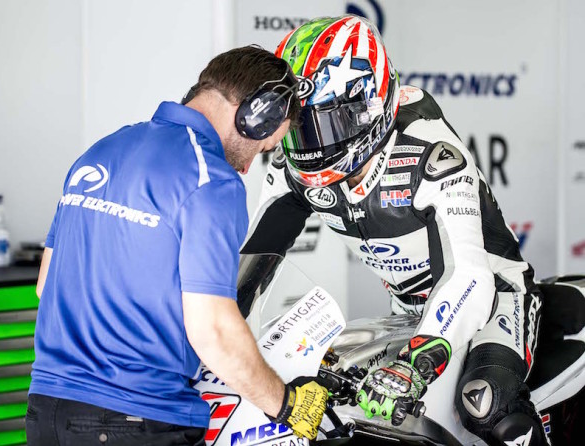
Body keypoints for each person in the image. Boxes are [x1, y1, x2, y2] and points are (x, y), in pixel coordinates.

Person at [239, 16, 549, 446]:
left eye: (325, 125)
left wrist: (414, 364)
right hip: (407, 309)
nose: (310, 146)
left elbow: (468, 278)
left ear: (369, 106)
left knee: (486, 404)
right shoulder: (291, 168)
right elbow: (253, 260)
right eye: (298, 129)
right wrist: (226, 340)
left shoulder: (430, 153)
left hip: (496, 296)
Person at [28, 45, 328, 446]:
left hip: (46, 413)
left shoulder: (101, 151)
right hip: (135, 420)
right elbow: (213, 332)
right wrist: (287, 404)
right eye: (263, 147)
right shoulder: (211, 180)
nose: (247, 165)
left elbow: (46, 285)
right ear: (257, 116)